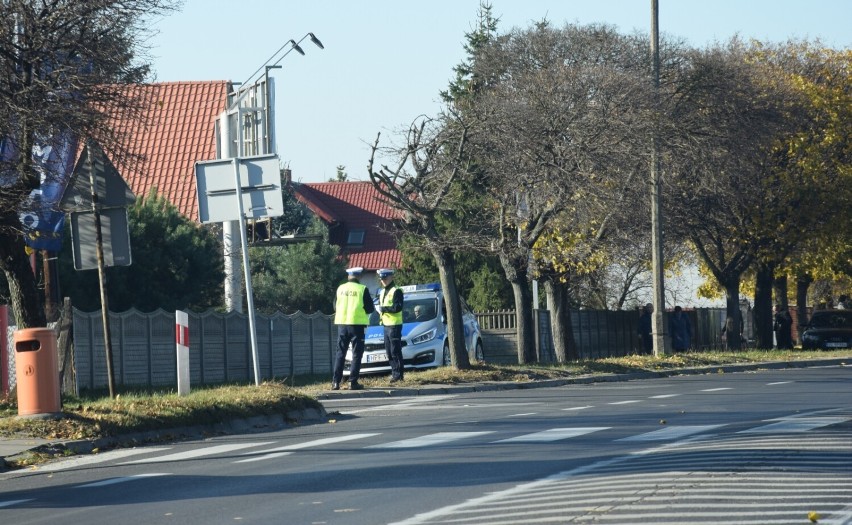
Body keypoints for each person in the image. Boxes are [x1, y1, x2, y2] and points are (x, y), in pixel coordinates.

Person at [331, 267, 375, 390]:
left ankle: (335, 382)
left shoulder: (340, 288)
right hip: (357, 326)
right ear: (359, 276)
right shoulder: (362, 289)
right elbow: (370, 308)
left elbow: (335, 305)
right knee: (356, 354)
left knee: (340, 353)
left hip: (342, 325)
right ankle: (352, 382)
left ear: (348, 276)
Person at [376, 268, 405, 382]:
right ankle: (394, 373)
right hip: (385, 325)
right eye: (381, 279)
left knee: (395, 351)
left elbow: (397, 307)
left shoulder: (396, 290)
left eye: (385, 278)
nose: (383, 281)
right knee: (388, 351)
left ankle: (399, 375)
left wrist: (383, 309)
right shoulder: (382, 291)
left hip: (394, 324)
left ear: (391, 277)